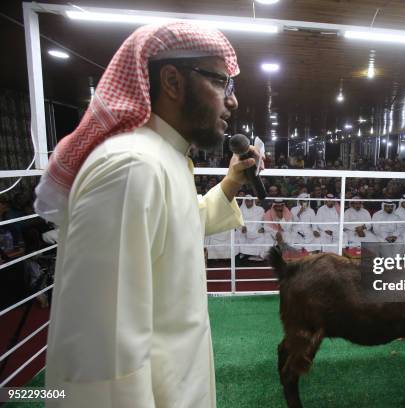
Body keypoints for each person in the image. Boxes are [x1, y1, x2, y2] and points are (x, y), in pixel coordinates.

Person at [34, 22, 258, 407]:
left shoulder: (162, 157)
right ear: (172, 81)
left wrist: (231, 183)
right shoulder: (132, 167)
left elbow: (177, 230)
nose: (232, 101)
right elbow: (103, 361)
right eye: (223, 83)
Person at [237, 195, 268, 261]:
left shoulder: (260, 210)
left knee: (264, 237)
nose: (249, 203)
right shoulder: (239, 210)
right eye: (247, 201)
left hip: (257, 231)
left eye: (251, 201)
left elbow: (265, 221)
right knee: (237, 235)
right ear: (244, 201)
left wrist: (263, 228)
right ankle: (244, 252)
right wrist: (241, 227)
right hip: (244, 231)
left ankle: (255, 254)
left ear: (253, 201)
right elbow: (237, 222)